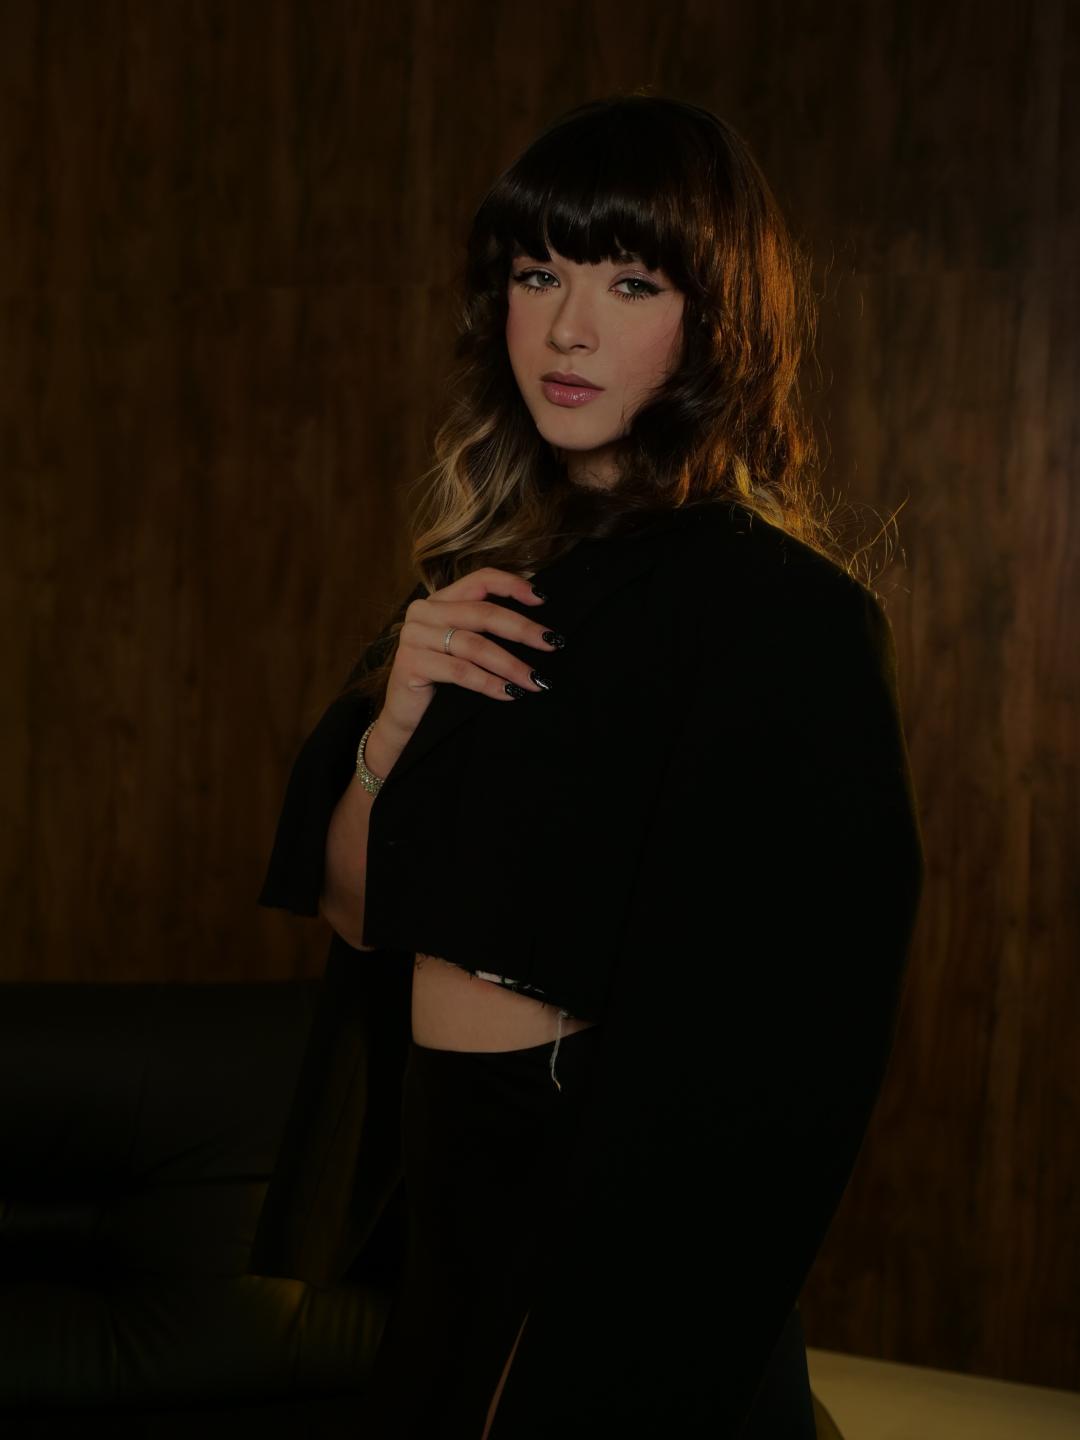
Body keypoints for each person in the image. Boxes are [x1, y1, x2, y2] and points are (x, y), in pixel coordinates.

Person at [251, 90, 926, 1438]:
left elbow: (783, 1055)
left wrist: (573, 1318)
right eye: (536, 274)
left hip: (612, 1213)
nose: (567, 328)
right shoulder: (481, 587)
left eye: (630, 283)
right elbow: (361, 916)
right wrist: (392, 723)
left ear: (715, 322)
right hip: (455, 1189)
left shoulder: (779, 615)